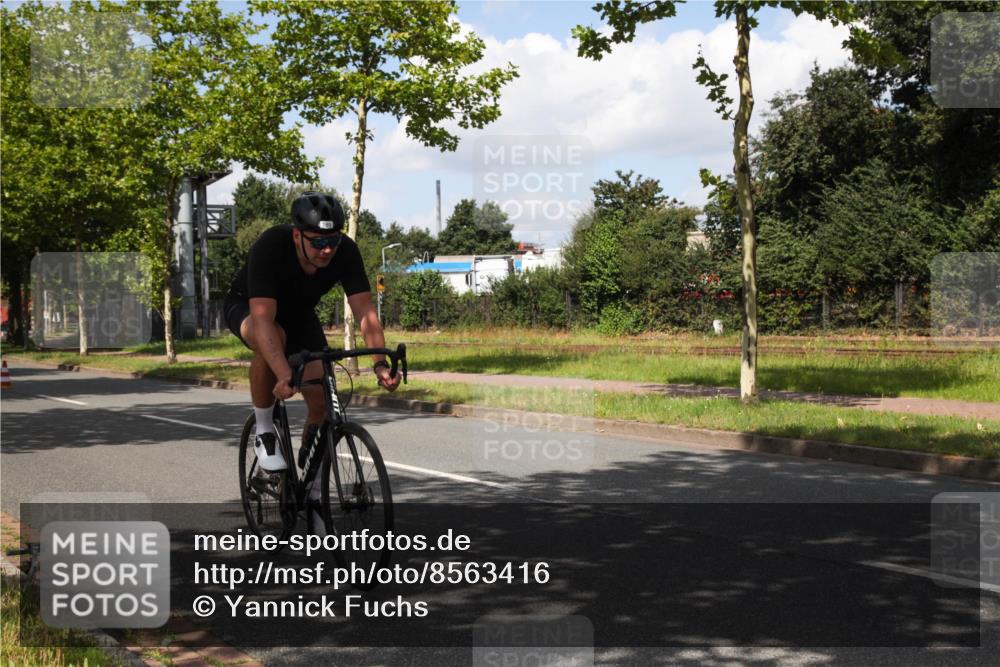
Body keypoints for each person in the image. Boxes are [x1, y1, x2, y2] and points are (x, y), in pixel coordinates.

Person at [224, 191, 400, 472]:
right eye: (318, 241)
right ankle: (265, 432)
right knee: (273, 340)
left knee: (322, 403)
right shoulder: (271, 246)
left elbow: (365, 311)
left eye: (332, 240)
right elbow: (263, 320)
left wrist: (380, 363)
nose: (327, 250)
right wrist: (283, 373)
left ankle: (313, 491)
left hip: (299, 315)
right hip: (249, 309)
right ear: (297, 236)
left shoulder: (346, 252)